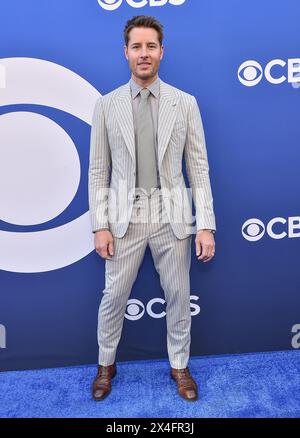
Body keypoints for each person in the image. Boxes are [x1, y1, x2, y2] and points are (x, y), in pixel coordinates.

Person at [88, 15, 216, 402]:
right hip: (124, 218)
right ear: (125, 52)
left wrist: (206, 224)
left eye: (151, 46)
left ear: (162, 51)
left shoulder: (186, 103)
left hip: (172, 215)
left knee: (179, 293)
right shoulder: (106, 105)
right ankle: (105, 365)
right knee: (113, 297)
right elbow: (98, 169)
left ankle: (180, 367)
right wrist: (100, 225)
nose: (144, 54)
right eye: (137, 47)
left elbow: (198, 166)